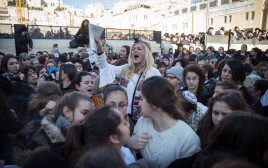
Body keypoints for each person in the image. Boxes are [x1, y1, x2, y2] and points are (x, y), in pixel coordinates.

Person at [128, 76, 201, 168]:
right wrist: (130, 143)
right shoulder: (142, 121)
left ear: (154, 103)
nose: (139, 104)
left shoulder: (188, 138)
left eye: (142, 99)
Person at [94, 37, 160, 122]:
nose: (135, 51)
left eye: (139, 49)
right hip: (124, 118)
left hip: (144, 119)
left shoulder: (154, 73)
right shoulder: (126, 69)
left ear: (147, 53)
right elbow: (106, 67)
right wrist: (100, 51)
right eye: (133, 49)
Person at [65, 106, 135, 166]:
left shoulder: (124, 152)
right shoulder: (107, 165)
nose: (128, 124)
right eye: (124, 123)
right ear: (114, 137)